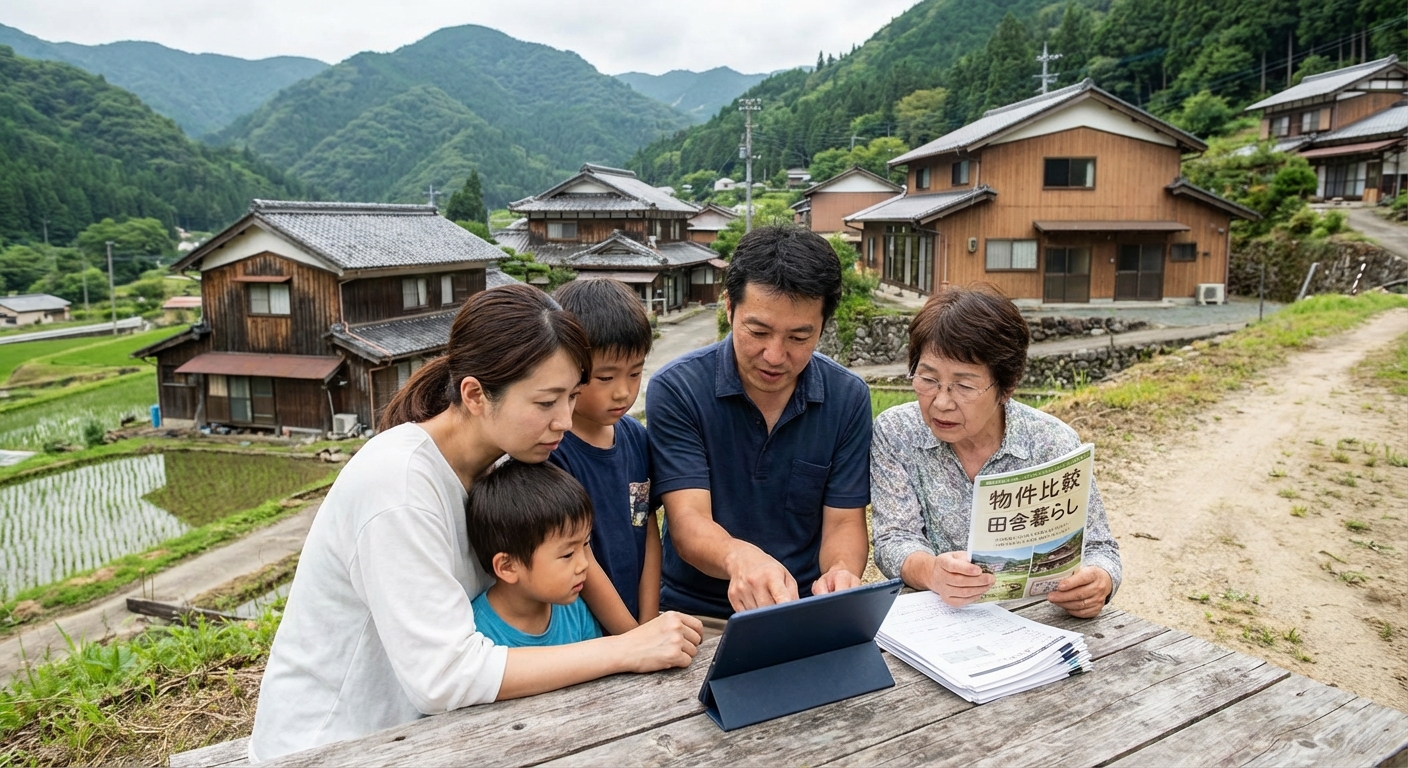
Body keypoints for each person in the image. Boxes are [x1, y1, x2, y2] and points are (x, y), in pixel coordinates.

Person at [248, 284, 702, 762]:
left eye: (571, 397)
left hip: (428, 737)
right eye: (546, 403)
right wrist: (627, 649)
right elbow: (444, 676)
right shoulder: (398, 487)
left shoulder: (504, 466)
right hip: (332, 746)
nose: (565, 421)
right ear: (475, 394)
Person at [647, 226, 872, 624]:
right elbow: (688, 521)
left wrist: (840, 572)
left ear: (823, 326)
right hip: (696, 617)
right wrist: (740, 557)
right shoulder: (678, 389)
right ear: (729, 309)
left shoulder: (847, 398)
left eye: (799, 337)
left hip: (799, 610)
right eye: (758, 331)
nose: (774, 355)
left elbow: (843, 522)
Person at [870, 285, 1122, 617]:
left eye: (964, 386)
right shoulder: (897, 432)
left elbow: (1100, 549)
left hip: (1037, 619)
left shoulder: (1052, 442)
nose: (941, 402)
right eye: (928, 379)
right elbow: (893, 538)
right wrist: (931, 571)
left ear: (1008, 386)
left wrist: (1099, 582)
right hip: (938, 616)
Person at [549, 278, 659, 633]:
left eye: (636, 372)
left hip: (638, 624)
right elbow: (582, 555)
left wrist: (649, 620)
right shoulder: (553, 451)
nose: (623, 392)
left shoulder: (635, 438)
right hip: (584, 632)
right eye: (606, 377)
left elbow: (646, 526)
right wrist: (633, 636)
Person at [465, 460, 604, 647]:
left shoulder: (573, 609)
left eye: (585, 544)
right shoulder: (475, 633)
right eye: (568, 554)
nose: (584, 564)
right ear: (508, 567)